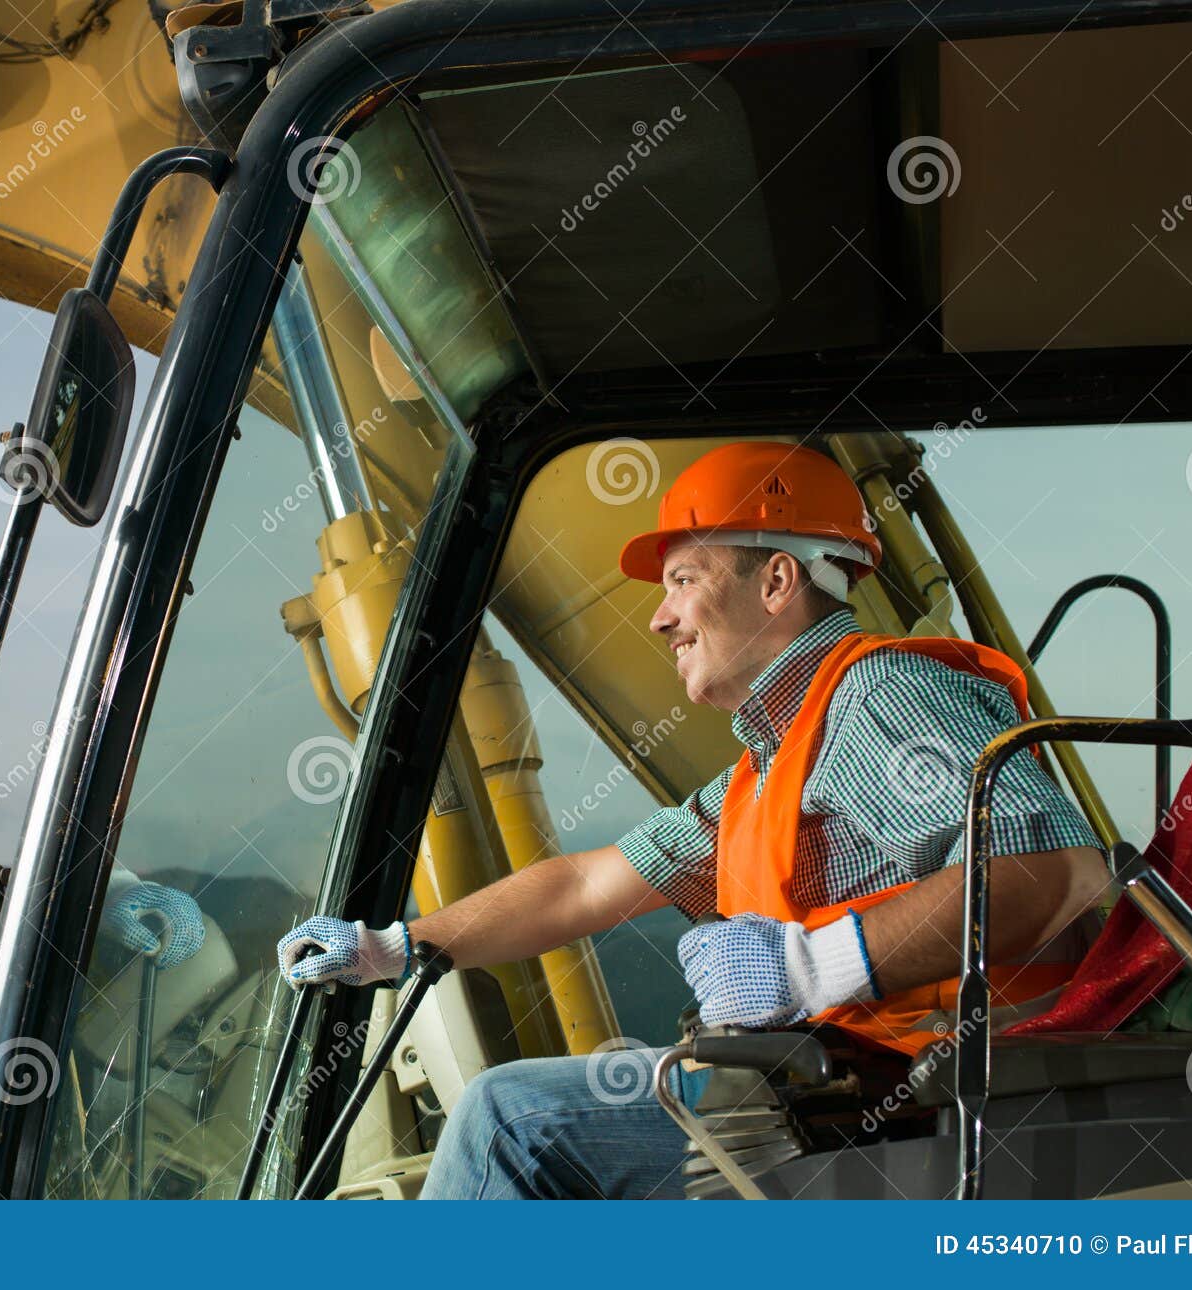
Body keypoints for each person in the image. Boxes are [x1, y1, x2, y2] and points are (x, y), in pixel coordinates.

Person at [276, 441, 1110, 1199]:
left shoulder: (878, 698)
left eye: (684, 579)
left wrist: (809, 968)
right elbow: (583, 884)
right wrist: (398, 946)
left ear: (778, 581)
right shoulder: (770, 762)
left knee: (512, 1121)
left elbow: (1054, 873)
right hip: (844, 1090)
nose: (660, 616)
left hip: (931, 1109)